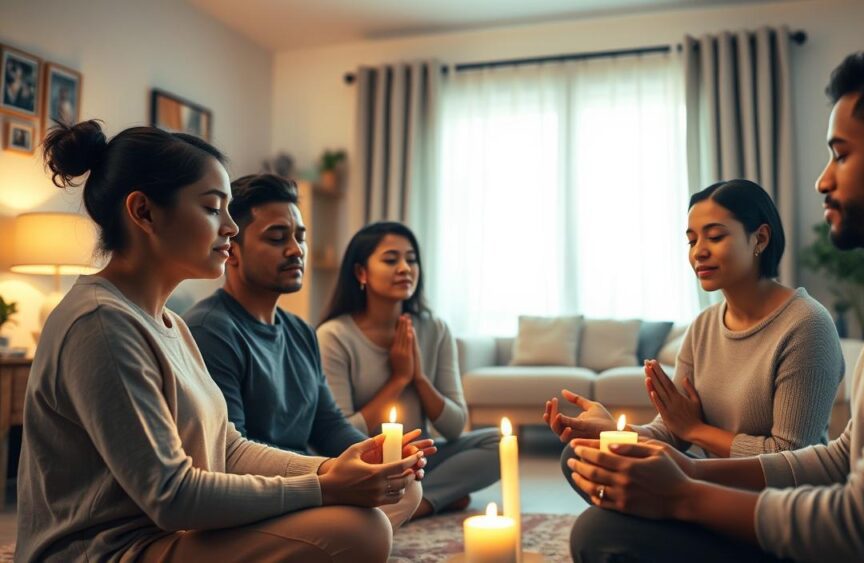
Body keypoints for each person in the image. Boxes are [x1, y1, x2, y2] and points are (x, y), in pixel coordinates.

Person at [567, 38, 864, 562]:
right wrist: (687, 469)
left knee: (603, 535)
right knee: (607, 492)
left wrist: (684, 495)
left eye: (841, 154)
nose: (823, 179)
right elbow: (843, 459)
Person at [17, 121, 434, 563]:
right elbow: (171, 495)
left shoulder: (171, 324)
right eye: (214, 208)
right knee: (361, 530)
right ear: (143, 212)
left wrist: (334, 468)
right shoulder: (101, 324)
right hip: (111, 552)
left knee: (398, 492)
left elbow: (228, 448)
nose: (231, 228)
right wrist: (324, 486)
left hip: (169, 534)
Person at [545, 179, 843, 498]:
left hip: (775, 505)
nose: (699, 251)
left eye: (715, 236)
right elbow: (670, 431)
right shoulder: (703, 326)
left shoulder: (806, 325)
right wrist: (617, 433)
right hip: (707, 483)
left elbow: (789, 460)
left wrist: (698, 431)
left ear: (760, 238)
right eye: (691, 240)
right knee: (580, 456)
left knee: (598, 532)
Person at [183, 173, 422, 529]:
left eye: (301, 237)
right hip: (258, 497)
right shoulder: (211, 330)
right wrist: (328, 477)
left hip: (310, 479)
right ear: (232, 249)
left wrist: (379, 455)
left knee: (407, 487)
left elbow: (328, 425)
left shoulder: (299, 330)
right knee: (366, 527)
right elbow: (228, 456)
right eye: (278, 238)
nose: (296, 250)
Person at [317, 221, 501, 519]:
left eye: (411, 259)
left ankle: (419, 503)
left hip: (421, 460)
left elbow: (454, 427)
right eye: (391, 260)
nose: (405, 268)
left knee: (500, 444)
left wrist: (419, 378)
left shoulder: (434, 328)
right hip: (366, 466)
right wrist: (399, 379)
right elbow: (342, 434)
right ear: (361, 273)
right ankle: (428, 496)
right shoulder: (334, 336)